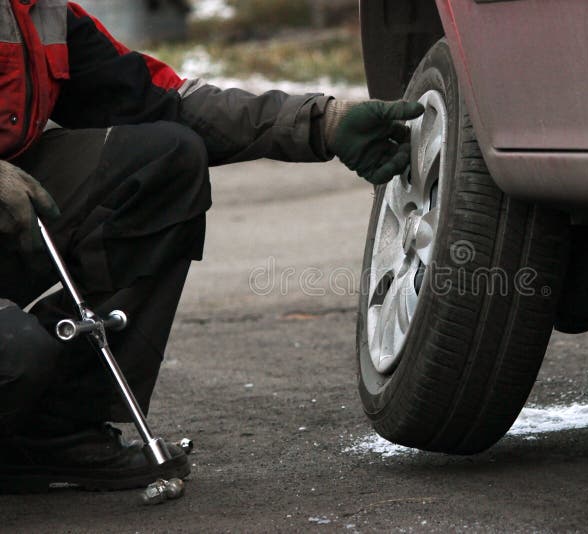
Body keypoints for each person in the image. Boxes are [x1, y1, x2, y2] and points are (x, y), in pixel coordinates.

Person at [0, 0, 423, 492]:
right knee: (13, 357)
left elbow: (167, 100)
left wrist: (322, 122)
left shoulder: (41, 13)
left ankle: (51, 432)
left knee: (164, 160)